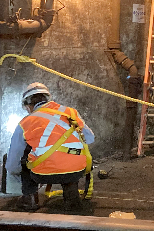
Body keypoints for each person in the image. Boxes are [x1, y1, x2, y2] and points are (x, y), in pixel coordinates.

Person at [6, 82, 95, 212]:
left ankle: (29, 199)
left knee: (24, 156)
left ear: (28, 104)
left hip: (41, 174)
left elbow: (12, 164)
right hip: (75, 172)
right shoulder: (70, 112)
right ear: (48, 98)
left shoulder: (25, 122)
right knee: (72, 155)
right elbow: (90, 138)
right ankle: (72, 198)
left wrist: (17, 174)